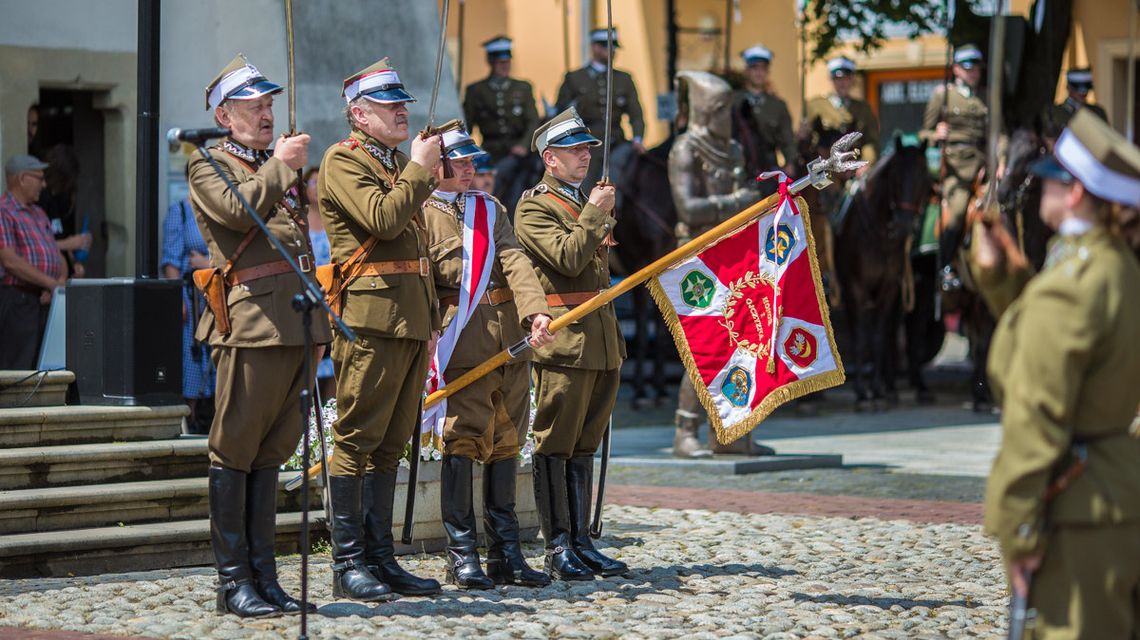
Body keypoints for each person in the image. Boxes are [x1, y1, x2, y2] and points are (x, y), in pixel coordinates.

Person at [973, 110, 1140, 639]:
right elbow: (1052, 338)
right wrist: (1001, 275)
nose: (1038, 184)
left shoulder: (1074, 282)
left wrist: (1017, 530)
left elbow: (1037, 415)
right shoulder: (1112, 265)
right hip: (1110, 494)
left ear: (1074, 194)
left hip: (1078, 509)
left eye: (1050, 176)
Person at [187, 54, 330, 617]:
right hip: (250, 324)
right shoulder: (208, 163)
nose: (266, 114)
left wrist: (316, 324)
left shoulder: (270, 163)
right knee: (237, 448)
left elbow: (296, 251)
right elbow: (237, 213)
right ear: (225, 115)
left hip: (293, 323)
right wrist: (280, 166)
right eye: (254, 106)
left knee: (273, 451)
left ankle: (265, 577)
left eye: (269, 105)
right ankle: (233, 581)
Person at [317, 57, 444, 602]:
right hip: (369, 321)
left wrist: (432, 316)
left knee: (391, 444)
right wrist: (419, 168)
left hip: (410, 321)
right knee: (356, 439)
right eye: (390, 107)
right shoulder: (343, 161)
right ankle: (348, 562)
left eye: (402, 105)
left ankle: (380, 557)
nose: (401, 113)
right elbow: (384, 220)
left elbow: (417, 251)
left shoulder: (393, 164)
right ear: (358, 115)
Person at [422, 126, 554, 590]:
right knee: (464, 439)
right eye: (458, 162)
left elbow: (516, 260)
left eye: (471, 160)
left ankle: (506, 552)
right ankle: (461, 552)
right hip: (463, 342)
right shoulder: (421, 214)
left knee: (507, 440)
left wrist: (535, 310)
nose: (469, 168)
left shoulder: (489, 208)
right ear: (434, 164)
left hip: (508, 343)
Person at [514, 107, 628, 581]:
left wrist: (592, 210)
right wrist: (595, 213)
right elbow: (566, 256)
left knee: (586, 444)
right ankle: (557, 544)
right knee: (556, 442)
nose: (584, 156)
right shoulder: (534, 206)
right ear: (549, 159)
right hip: (566, 340)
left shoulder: (579, 201)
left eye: (586, 149)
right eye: (574, 150)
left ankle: (582, 540)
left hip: (600, 339)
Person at [667, 71, 770, 459]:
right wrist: (736, 201)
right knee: (705, 343)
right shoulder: (685, 149)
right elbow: (687, 208)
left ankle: (731, 428)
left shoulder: (733, 150)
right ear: (708, 110)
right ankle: (685, 429)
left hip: (732, 252)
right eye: (724, 109)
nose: (730, 116)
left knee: (743, 341)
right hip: (696, 257)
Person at [919, 44, 993, 293]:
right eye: (967, 68)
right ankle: (946, 265)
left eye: (976, 69)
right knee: (959, 211)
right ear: (956, 69)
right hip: (956, 169)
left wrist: (1002, 160)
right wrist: (935, 133)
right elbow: (922, 134)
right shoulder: (943, 95)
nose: (973, 73)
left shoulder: (986, 97)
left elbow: (999, 133)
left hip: (985, 166)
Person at [555, 28, 645, 194]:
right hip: (585, 143)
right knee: (583, 183)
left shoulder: (624, 79)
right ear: (595, 47)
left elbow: (636, 113)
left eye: (614, 46)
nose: (612, 51)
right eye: (606, 46)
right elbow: (561, 114)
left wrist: (638, 138)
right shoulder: (574, 78)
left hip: (615, 142)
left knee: (620, 177)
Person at [161, 169, 214, 435]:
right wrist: (176, 300)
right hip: (190, 297)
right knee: (191, 360)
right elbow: (170, 261)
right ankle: (188, 421)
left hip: (214, 294)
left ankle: (211, 420)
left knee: (214, 359)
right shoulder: (179, 212)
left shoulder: (216, 209)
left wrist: (207, 264)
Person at [0, 154, 66, 370]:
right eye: (39, 178)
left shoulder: (38, 213)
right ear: (21, 179)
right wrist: (50, 284)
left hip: (44, 300)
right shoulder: (4, 211)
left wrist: (58, 282)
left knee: (45, 368)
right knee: (18, 369)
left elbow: (57, 255)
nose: (44, 184)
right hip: (18, 300)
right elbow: (10, 261)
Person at [463, 36, 540, 208]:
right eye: (500, 62)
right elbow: (467, 125)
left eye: (507, 61)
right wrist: (469, 151)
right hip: (491, 150)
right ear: (491, 62)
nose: (505, 66)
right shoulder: (476, 91)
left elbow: (533, 121)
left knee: (516, 194)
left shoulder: (523, 88)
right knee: (488, 188)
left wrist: (523, 144)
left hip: (519, 154)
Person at [733, 45, 797, 191]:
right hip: (737, 167)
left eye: (763, 68)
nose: (759, 73)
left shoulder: (778, 105)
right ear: (747, 71)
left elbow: (787, 138)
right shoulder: (733, 101)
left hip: (767, 169)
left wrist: (790, 161)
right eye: (754, 68)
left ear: (768, 71)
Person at [801, 56, 879, 170]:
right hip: (825, 166)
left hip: (854, 166)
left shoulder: (863, 108)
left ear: (852, 79)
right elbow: (806, 142)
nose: (842, 83)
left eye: (846, 78)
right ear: (830, 79)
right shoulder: (815, 106)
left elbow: (870, 141)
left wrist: (866, 164)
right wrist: (803, 136)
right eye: (837, 79)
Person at [302, 167, 335, 402]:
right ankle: (311, 415)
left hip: (331, 294)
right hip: (308, 294)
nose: (316, 188)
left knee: (333, 358)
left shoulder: (332, 215)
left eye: (319, 182)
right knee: (312, 356)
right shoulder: (299, 216)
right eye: (311, 183)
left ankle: (331, 410)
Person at [40, 145, 91, 278]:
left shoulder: (58, 199)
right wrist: (71, 243)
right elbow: (37, 245)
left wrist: (73, 265)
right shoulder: (41, 198)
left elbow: (57, 237)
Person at [1040, 67, 1109, 149]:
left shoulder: (1098, 112)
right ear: (1068, 87)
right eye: (1078, 88)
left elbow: (1107, 140)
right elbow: (1049, 141)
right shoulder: (1052, 112)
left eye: (1086, 87)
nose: (1083, 92)